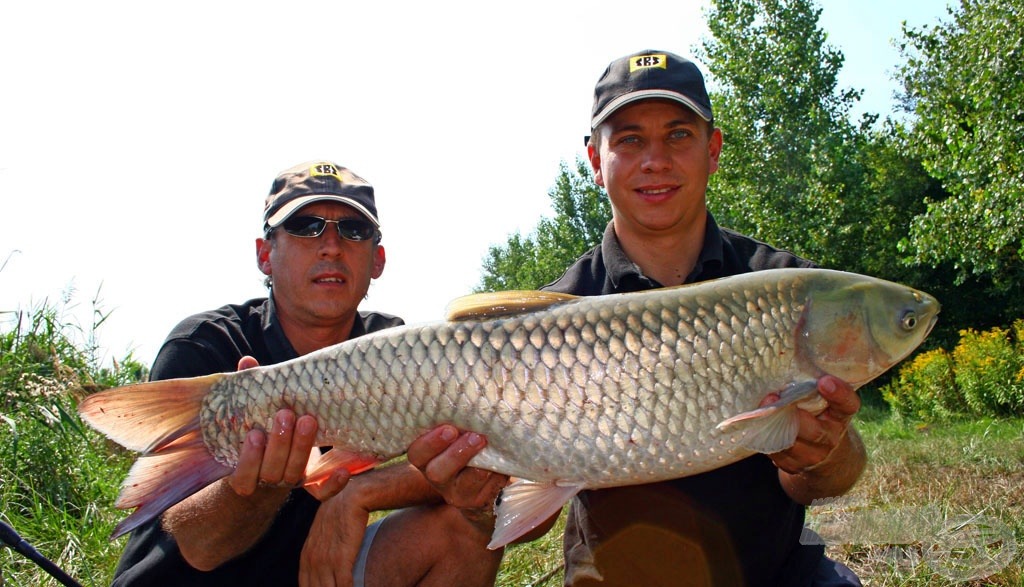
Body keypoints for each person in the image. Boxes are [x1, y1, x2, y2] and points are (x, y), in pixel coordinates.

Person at [528, 49, 867, 587]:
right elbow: (524, 519)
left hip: (776, 575)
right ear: (595, 161)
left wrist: (823, 456)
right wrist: (478, 498)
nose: (655, 161)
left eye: (679, 135)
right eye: (630, 139)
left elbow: (830, 478)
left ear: (712, 151)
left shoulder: (786, 287)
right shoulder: (552, 319)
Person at [110, 161, 506, 587]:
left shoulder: (393, 347)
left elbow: (466, 446)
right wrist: (265, 485)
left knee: (469, 528)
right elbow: (200, 547)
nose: (331, 246)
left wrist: (359, 493)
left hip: (314, 575)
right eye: (305, 226)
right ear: (265, 255)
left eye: (353, 230)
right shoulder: (207, 345)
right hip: (185, 580)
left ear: (378, 260)